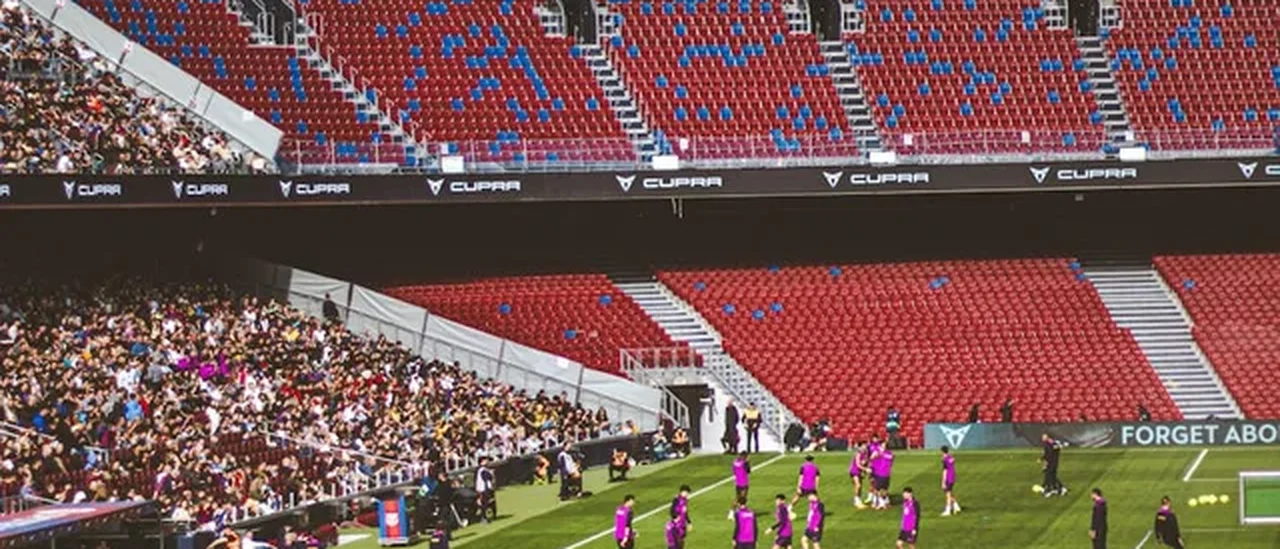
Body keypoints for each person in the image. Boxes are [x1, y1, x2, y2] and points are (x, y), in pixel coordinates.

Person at [871, 441, 895, 510]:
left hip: (885, 473)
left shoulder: (889, 453)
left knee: (884, 489)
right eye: (882, 445)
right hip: (878, 473)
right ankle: (880, 503)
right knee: (878, 488)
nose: (884, 446)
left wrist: (881, 454)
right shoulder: (876, 452)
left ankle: (882, 502)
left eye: (885, 445)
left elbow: (892, 457)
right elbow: (871, 458)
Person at [475, 457, 496, 523]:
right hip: (483, 489)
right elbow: (487, 478)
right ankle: (483, 517)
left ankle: (488, 516)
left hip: (485, 489)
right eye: (485, 460)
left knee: (488, 503)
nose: (487, 461)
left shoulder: (484, 469)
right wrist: (491, 474)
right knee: (484, 504)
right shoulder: (482, 470)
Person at [940, 446, 960, 516]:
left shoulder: (944, 460)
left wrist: (943, 482)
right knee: (949, 492)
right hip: (953, 476)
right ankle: (956, 506)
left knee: (947, 494)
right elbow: (952, 460)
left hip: (948, 478)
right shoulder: (951, 457)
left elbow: (945, 471)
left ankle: (948, 510)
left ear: (942, 451)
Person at [848, 440, 869, 510]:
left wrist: (864, 471)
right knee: (858, 485)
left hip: (860, 471)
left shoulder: (865, 453)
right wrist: (865, 469)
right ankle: (856, 500)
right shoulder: (858, 453)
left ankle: (858, 500)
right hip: (854, 470)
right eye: (864, 445)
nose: (865, 446)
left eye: (866, 445)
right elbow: (858, 464)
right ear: (860, 446)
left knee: (860, 486)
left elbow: (865, 462)